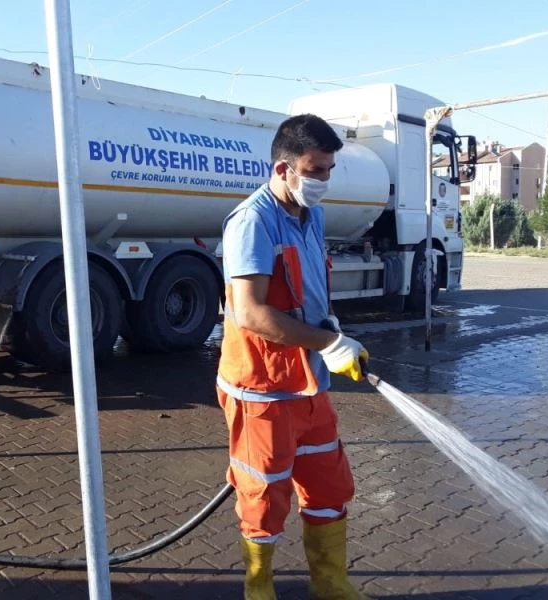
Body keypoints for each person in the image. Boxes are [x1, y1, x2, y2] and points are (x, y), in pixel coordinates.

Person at [216, 113, 371, 600]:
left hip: (308, 385)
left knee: (328, 486)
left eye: (328, 169)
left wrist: (332, 331)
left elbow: (305, 288)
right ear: (284, 169)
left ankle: (331, 586)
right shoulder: (252, 222)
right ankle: (259, 590)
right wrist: (327, 344)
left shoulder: (311, 214)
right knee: (263, 498)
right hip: (261, 391)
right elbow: (251, 314)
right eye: (316, 169)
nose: (323, 180)